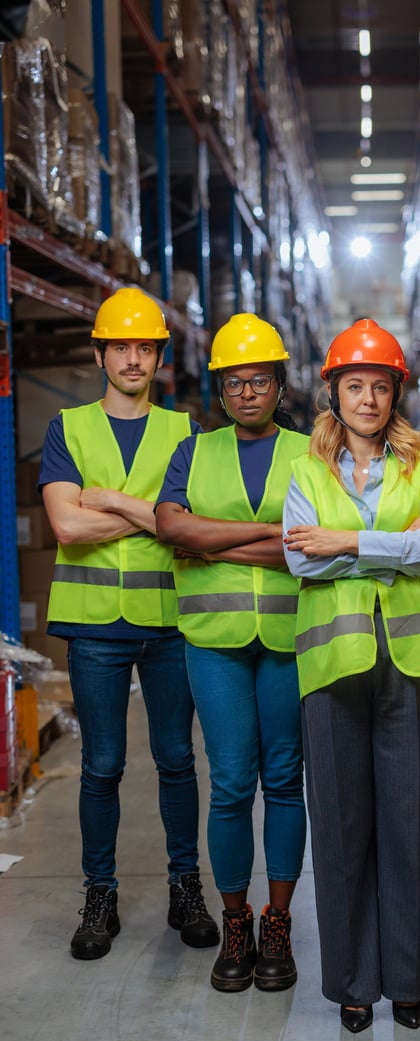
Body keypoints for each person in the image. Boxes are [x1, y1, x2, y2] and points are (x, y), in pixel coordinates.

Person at [283, 319, 420, 1033]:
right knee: (341, 824)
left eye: (379, 386)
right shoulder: (305, 471)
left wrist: (350, 540)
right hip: (333, 664)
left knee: (409, 823)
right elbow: (302, 559)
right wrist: (398, 545)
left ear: (395, 395)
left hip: (409, 663)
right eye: (354, 385)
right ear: (334, 393)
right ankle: (354, 982)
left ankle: (409, 979)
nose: (366, 398)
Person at [40, 287, 218, 960]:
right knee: (102, 765)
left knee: (177, 760)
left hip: (171, 621)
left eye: (145, 347)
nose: (134, 358)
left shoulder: (184, 432)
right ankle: (100, 894)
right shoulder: (68, 427)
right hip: (93, 626)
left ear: (159, 357)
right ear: (100, 354)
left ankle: (185, 886)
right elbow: (65, 524)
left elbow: (187, 529)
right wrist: (149, 516)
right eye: (122, 346)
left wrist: (109, 500)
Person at [155, 313, 309, 993]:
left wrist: (214, 538)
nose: (247, 392)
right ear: (219, 391)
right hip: (213, 644)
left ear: (279, 384)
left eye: (259, 380)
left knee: (283, 780)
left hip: (289, 640)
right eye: (234, 382)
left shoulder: (312, 453)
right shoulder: (193, 451)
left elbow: (312, 542)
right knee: (229, 785)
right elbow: (169, 526)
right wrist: (269, 536)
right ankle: (236, 919)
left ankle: (279, 921)